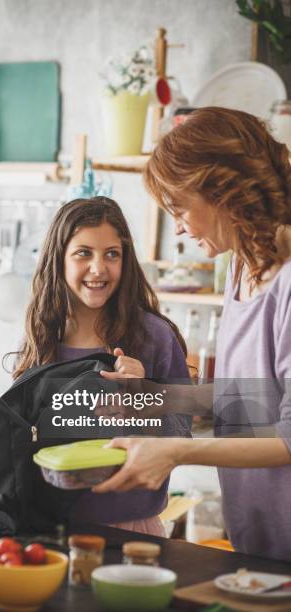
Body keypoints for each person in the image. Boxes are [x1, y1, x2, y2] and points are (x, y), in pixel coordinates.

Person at [93, 107, 291, 561]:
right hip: (260, 541)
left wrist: (175, 451)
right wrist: (154, 398)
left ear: (222, 191)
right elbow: (255, 399)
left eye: (180, 209)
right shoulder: (242, 265)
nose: (178, 229)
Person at [14, 196, 191, 535]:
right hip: (47, 527)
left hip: (132, 528)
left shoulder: (154, 336)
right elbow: (22, 430)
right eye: (84, 253)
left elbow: (183, 433)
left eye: (112, 254)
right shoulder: (38, 336)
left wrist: (147, 399)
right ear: (59, 259)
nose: (99, 268)